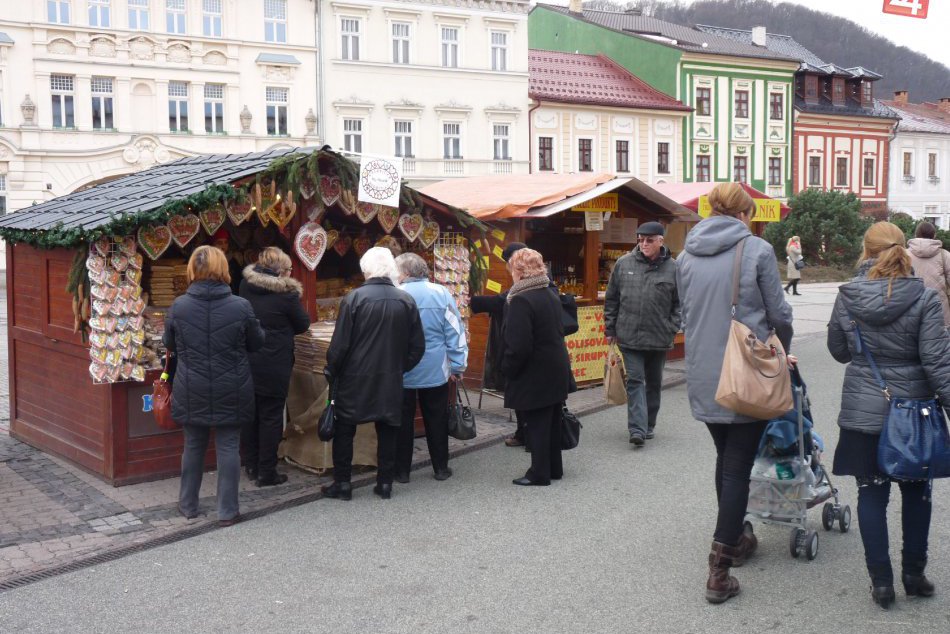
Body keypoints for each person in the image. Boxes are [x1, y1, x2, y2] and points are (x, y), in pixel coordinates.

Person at [676, 182, 793, 604]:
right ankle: (720, 568)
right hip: (744, 372)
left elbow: (684, 311)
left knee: (726, 458)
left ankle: (738, 537)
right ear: (745, 214)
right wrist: (783, 349)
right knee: (737, 465)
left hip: (703, 372)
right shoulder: (756, 250)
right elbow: (779, 313)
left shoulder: (685, 255)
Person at [828, 221, 950, 609]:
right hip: (914, 414)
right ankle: (913, 575)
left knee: (871, 493)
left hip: (864, 412)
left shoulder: (848, 296)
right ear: (904, 251)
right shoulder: (925, 298)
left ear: (866, 251)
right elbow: (937, 363)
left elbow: (839, 351)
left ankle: (881, 583)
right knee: (916, 493)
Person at [163, 245, 265, 527]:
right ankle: (227, 510)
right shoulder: (241, 306)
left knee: (193, 445)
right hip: (232, 386)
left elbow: (169, 343)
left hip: (191, 386)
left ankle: (188, 505)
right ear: (223, 269)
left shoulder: (179, 306)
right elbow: (257, 342)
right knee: (229, 446)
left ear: (192, 270)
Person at [323, 247, 426, 501]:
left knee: (345, 430)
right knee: (388, 430)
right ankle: (384, 483)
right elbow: (418, 347)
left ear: (365, 269)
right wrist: (400, 367)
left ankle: (343, 483)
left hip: (354, 378)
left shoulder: (354, 298)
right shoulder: (406, 300)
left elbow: (340, 345)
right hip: (390, 377)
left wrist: (332, 369)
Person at [393, 253, 468, 483]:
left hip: (402, 368)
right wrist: (458, 365)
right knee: (436, 418)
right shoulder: (441, 293)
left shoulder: (396, 294)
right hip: (435, 368)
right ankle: (441, 468)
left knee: (402, 421)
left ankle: (402, 471)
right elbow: (454, 331)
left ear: (405, 273)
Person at [604, 221, 681, 446]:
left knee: (654, 383)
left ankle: (649, 424)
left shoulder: (674, 268)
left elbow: (681, 303)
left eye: (649, 240)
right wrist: (610, 328)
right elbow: (612, 298)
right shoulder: (624, 263)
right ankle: (637, 429)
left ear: (660, 241)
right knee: (635, 379)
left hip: (659, 336)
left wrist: (672, 326)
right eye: (640, 240)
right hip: (629, 335)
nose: (644, 244)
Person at [239, 247, 311, 487]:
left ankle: (250, 465)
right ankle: (267, 472)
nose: (290, 273)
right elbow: (303, 324)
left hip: (248, 359)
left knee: (250, 415)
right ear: (281, 271)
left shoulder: (245, 286)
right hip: (275, 361)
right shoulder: (286, 294)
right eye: (289, 269)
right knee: (271, 416)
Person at [501, 248, 571, 486]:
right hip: (555, 365)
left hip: (535, 370)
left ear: (519, 271)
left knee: (538, 424)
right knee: (551, 420)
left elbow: (519, 345)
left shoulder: (521, 299)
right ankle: (554, 468)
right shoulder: (548, 292)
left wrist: (508, 368)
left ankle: (539, 473)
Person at [471, 242, 528, 447]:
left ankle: (526, 435)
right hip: (529, 353)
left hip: (523, 353)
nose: (507, 268)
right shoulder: (536, 284)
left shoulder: (524, 287)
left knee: (522, 394)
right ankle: (526, 433)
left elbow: (500, 301)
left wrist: (472, 301)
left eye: (508, 264)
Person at [907, 221, 950, 327]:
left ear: (916, 235)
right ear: (934, 235)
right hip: (940, 310)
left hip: (910, 309)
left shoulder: (904, 255)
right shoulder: (945, 255)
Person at [212, 228, 244, 294]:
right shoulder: (208, 262)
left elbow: (238, 283)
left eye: (226, 242)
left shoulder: (233, 261)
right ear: (213, 244)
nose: (223, 246)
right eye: (220, 243)